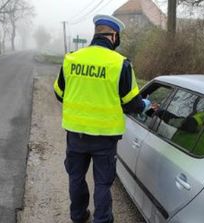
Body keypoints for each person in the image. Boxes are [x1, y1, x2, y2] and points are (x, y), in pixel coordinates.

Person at [53, 14, 151, 223]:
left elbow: (59, 93)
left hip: (75, 134)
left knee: (76, 177)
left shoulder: (71, 58)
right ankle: (102, 220)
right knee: (103, 183)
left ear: (97, 33)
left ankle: (78, 215)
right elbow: (132, 104)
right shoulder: (120, 64)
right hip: (105, 138)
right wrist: (147, 105)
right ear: (114, 36)